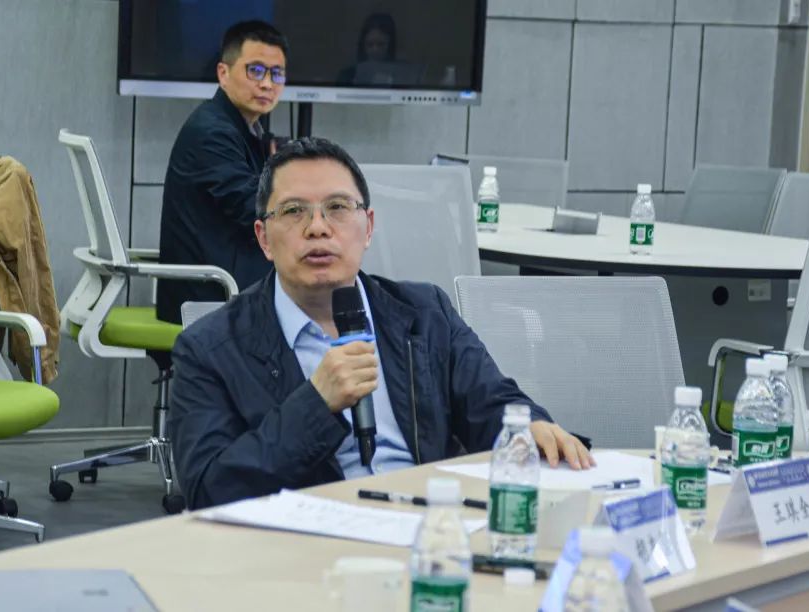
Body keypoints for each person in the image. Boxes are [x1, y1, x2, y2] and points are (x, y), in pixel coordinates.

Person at [169, 137, 593, 510]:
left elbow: (490, 401)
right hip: (303, 545)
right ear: (264, 238)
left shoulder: (424, 313)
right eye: (295, 211)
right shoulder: (208, 348)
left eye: (337, 208)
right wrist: (315, 404)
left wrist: (529, 426)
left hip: (430, 527)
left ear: (368, 227)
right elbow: (209, 491)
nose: (318, 228)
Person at [156, 20, 288, 324]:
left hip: (227, 277)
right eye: (256, 71)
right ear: (223, 74)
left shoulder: (243, 128)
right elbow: (254, 211)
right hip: (209, 295)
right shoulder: (212, 132)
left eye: (277, 73)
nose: (267, 84)